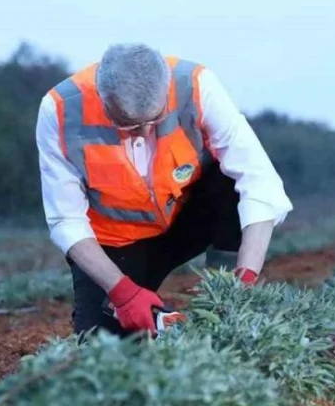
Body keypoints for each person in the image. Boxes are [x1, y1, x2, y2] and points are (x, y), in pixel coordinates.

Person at [36, 43, 293, 336]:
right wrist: (122, 292)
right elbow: (66, 220)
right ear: (105, 102)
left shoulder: (196, 85)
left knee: (230, 181)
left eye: (155, 121)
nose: (145, 133)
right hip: (117, 245)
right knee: (101, 342)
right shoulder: (58, 111)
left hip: (185, 219)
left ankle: (224, 301)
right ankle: (166, 321)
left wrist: (245, 278)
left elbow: (259, 181)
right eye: (131, 127)